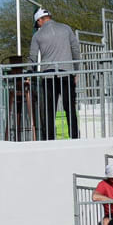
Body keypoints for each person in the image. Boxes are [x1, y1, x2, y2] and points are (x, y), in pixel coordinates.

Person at [31, 9, 81, 140]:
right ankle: (75, 138)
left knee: (49, 110)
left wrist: (29, 75)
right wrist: (76, 70)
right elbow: (75, 49)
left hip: (48, 75)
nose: (38, 27)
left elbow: (33, 57)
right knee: (69, 108)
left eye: (38, 24)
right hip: (66, 73)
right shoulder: (66, 29)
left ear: (39, 20)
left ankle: (49, 139)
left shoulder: (38, 35)